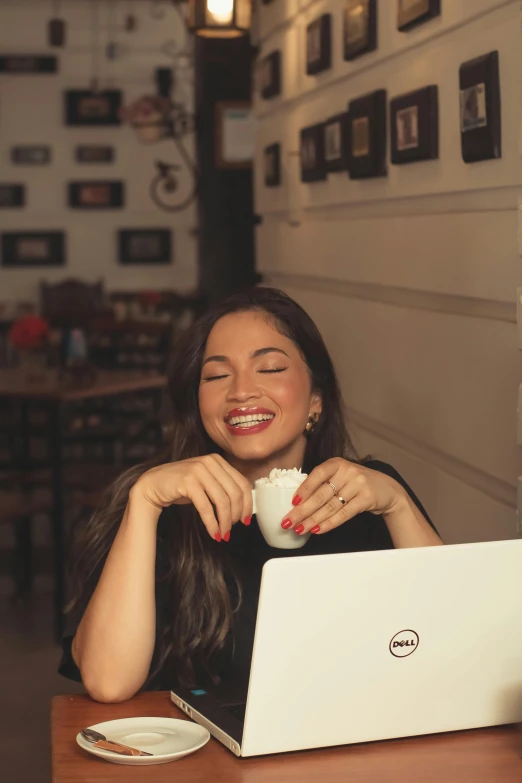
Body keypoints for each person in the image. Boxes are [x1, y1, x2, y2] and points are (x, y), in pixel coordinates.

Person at [59, 287, 443, 703]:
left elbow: (456, 645)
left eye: (271, 368)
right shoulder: (156, 502)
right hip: (200, 760)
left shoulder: (373, 496)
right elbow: (107, 682)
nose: (241, 391)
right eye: (217, 376)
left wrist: (399, 505)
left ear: (316, 400)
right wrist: (145, 502)